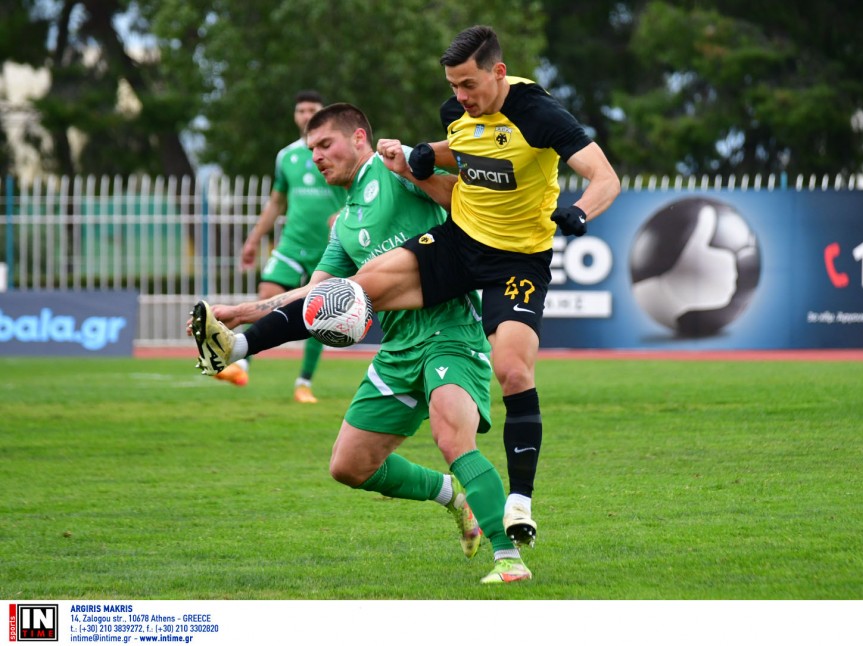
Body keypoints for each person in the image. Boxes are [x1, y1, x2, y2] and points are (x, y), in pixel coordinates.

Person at [194, 25, 621, 549]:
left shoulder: (523, 120)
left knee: (489, 395)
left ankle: (514, 524)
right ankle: (237, 349)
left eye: (468, 84)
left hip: (484, 294)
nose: (460, 97)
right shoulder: (362, 206)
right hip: (430, 293)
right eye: (453, 86)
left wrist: (579, 211)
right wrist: (243, 313)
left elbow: (587, 179)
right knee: (349, 430)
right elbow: (325, 292)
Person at [191, 103, 531, 583]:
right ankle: (453, 497)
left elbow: (468, 200)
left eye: (325, 144)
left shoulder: (394, 168)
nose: (316, 157)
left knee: (452, 437)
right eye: (311, 149)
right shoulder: (345, 224)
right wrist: (239, 319)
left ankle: (509, 559)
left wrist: (414, 166)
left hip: (450, 329)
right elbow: (314, 297)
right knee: (349, 466)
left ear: (358, 139)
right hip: (398, 346)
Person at [216, 90, 345, 404]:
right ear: (295, 115)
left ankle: (304, 383)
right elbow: (276, 202)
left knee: (321, 312)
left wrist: (343, 216)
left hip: (330, 247)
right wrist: (253, 240)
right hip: (292, 243)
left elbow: (356, 193)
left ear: (323, 113)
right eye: (301, 110)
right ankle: (242, 364)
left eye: (312, 110)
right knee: (266, 294)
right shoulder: (286, 156)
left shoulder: (340, 152)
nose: (306, 115)